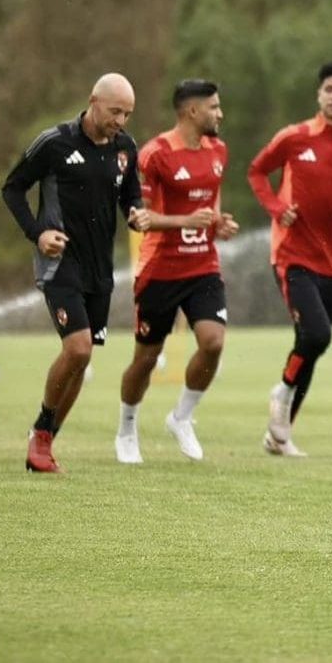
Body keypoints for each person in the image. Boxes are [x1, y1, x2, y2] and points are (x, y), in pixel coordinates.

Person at [3, 74, 145, 473]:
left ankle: (45, 441)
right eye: (115, 111)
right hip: (60, 264)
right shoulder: (55, 143)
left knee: (82, 360)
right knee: (78, 348)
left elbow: (130, 193)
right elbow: (13, 189)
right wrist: (38, 233)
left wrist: (136, 212)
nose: (121, 120)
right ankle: (41, 432)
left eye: (128, 114)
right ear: (93, 102)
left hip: (101, 271)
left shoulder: (126, 148)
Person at [248, 61, 332, 458]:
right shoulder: (294, 137)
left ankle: (279, 435)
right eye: (329, 89)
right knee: (317, 335)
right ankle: (283, 393)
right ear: (319, 95)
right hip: (291, 254)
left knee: (312, 344)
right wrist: (275, 207)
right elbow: (257, 172)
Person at [117, 79, 239, 464]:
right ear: (192, 111)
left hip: (203, 265)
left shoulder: (218, 150)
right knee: (147, 359)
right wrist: (187, 218)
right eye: (214, 107)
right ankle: (127, 427)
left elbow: (211, 201)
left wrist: (217, 223)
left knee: (213, 342)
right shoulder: (155, 155)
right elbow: (141, 220)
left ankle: (182, 417)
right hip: (160, 270)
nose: (220, 114)